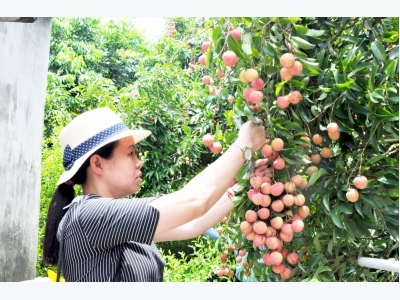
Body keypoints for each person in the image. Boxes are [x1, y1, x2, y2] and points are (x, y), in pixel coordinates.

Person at [42, 107, 271, 282]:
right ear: (98, 165)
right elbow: (194, 201)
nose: (139, 163)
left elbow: (194, 224)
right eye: (131, 153)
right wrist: (243, 145)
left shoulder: (118, 221)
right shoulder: (87, 215)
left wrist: (245, 187)